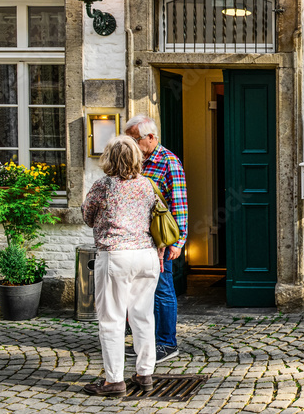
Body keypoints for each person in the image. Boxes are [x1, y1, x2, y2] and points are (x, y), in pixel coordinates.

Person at [82, 135, 162, 397]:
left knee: (112, 319)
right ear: (137, 158)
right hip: (146, 255)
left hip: (116, 255)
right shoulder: (147, 185)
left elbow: (88, 216)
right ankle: (145, 373)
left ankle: (114, 381)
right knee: (143, 316)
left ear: (110, 158)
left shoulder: (104, 185)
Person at [124, 114, 188, 363]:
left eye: (134, 139)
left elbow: (179, 204)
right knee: (139, 291)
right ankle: (144, 342)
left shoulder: (168, 161)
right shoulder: (136, 160)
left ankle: (166, 343)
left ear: (151, 137)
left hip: (160, 240)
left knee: (162, 289)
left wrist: (178, 242)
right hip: (137, 238)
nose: (131, 145)